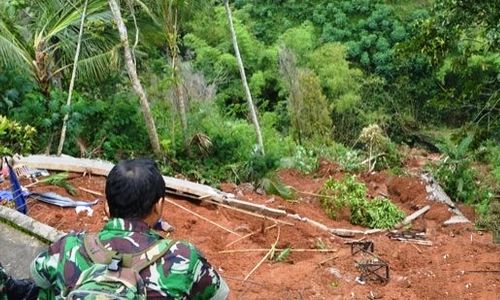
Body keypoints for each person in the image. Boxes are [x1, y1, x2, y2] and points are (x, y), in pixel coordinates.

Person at [0, 158, 229, 299]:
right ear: (158, 207)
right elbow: (220, 295)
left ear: (107, 206)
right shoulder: (184, 257)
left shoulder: (68, 246)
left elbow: (36, 277)